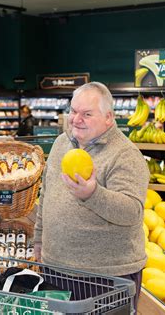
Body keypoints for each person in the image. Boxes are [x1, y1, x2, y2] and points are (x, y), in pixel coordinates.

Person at [33, 82, 149, 311]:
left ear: (108, 117)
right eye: (73, 111)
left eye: (86, 114)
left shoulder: (125, 155)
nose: (76, 119)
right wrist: (39, 238)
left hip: (106, 276)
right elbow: (46, 194)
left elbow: (131, 212)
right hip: (55, 268)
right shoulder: (60, 144)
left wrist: (93, 194)